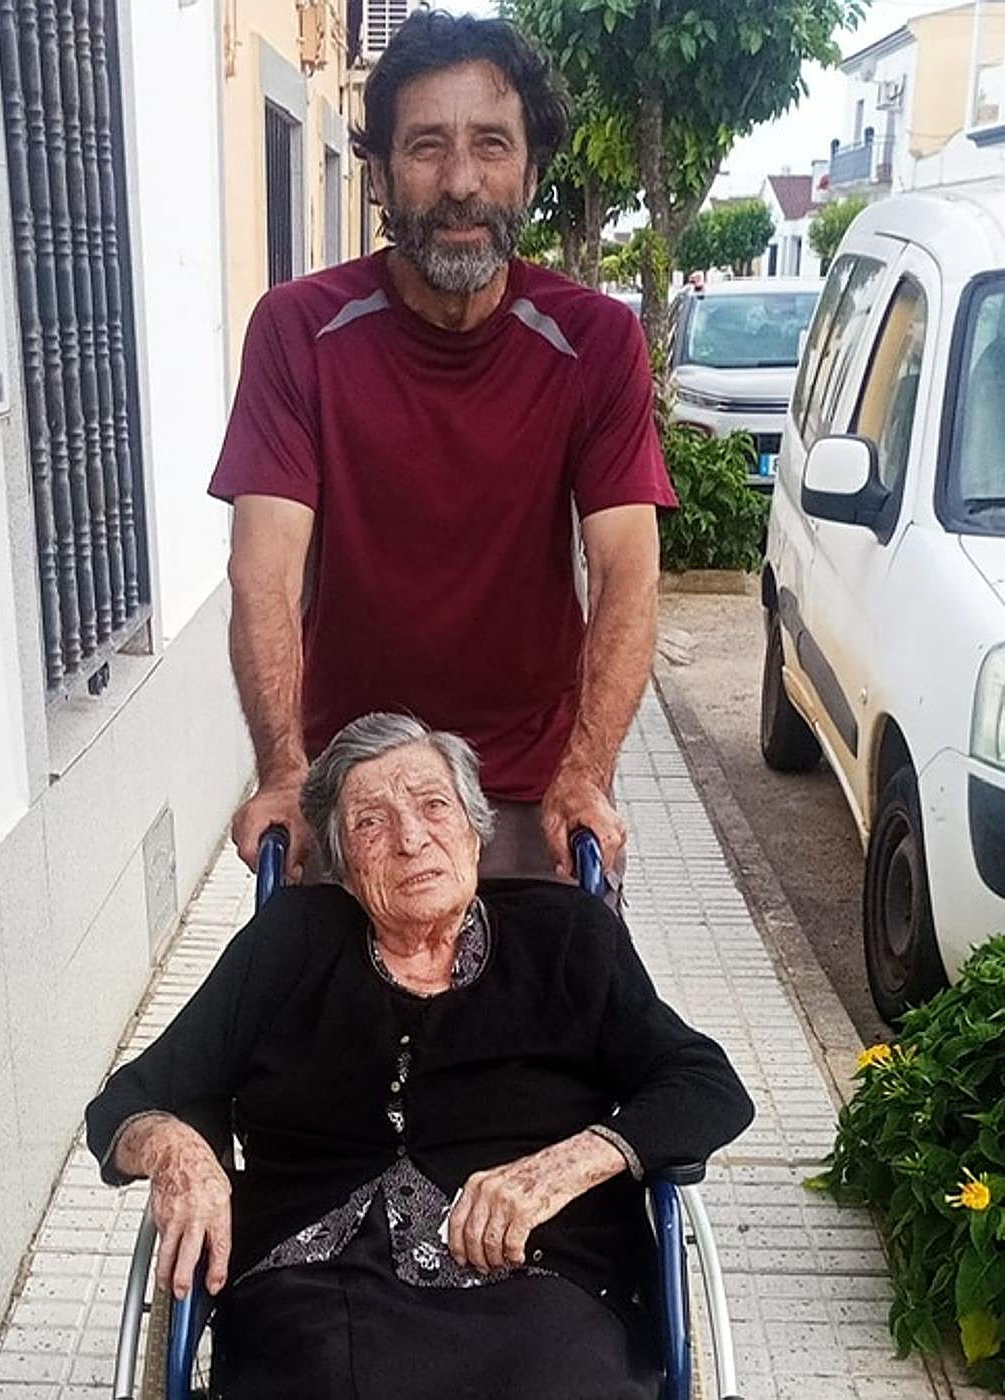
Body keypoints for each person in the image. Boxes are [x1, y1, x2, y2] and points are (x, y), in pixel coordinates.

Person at [86, 713, 753, 1400]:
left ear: (473, 825)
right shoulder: (288, 944)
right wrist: (175, 1150)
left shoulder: (565, 938)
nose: (411, 839)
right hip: (312, 1298)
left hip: (538, 1284)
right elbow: (126, 1103)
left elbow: (704, 1085)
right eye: (371, 823)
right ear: (342, 862)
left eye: (434, 805)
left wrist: (560, 1168)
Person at [209, 11, 677, 889]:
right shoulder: (297, 332)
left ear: (529, 168)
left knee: (579, 1016)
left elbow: (625, 572)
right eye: (425, 146)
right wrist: (283, 769)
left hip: (531, 801)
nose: (461, 180)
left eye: (491, 144)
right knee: (317, 1021)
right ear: (379, 172)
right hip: (355, 794)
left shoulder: (596, 342)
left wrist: (586, 775)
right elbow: (262, 573)